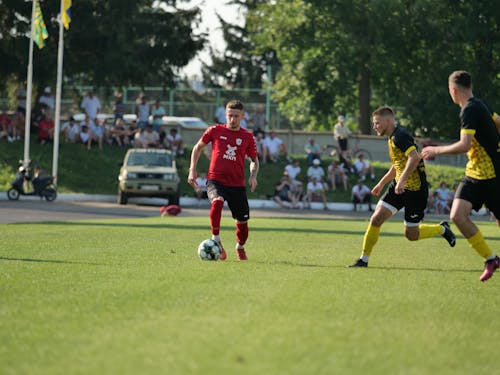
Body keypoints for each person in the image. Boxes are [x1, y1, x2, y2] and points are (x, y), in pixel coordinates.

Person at [349, 106, 456, 268]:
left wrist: (401, 181)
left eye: (377, 123)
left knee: (411, 235)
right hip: (398, 187)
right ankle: (363, 260)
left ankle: (441, 229)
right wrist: (382, 183)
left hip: (416, 191)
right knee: (376, 219)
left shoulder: (400, 136)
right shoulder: (392, 138)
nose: (374, 126)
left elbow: (414, 158)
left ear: (388, 121)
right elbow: (398, 165)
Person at [421, 70, 500, 282]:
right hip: (474, 173)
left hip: (492, 175)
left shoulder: (469, 110)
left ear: (453, 90)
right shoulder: (480, 105)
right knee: (457, 215)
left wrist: (435, 150)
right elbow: (498, 121)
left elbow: (464, 145)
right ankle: (491, 259)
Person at [188, 99, 259, 261]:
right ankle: (216, 240)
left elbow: (254, 160)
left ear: (242, 116)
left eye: (236, 116)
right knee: (217, 201)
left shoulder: (247, 136)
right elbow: (197, 148)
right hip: (216, 180)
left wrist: (253, 176)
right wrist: (192, 169)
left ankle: (240, 247)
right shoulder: (214, 130)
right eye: (229, 115)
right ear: (225, 115)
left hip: (237, 184)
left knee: (242, 223)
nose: (232, 119)